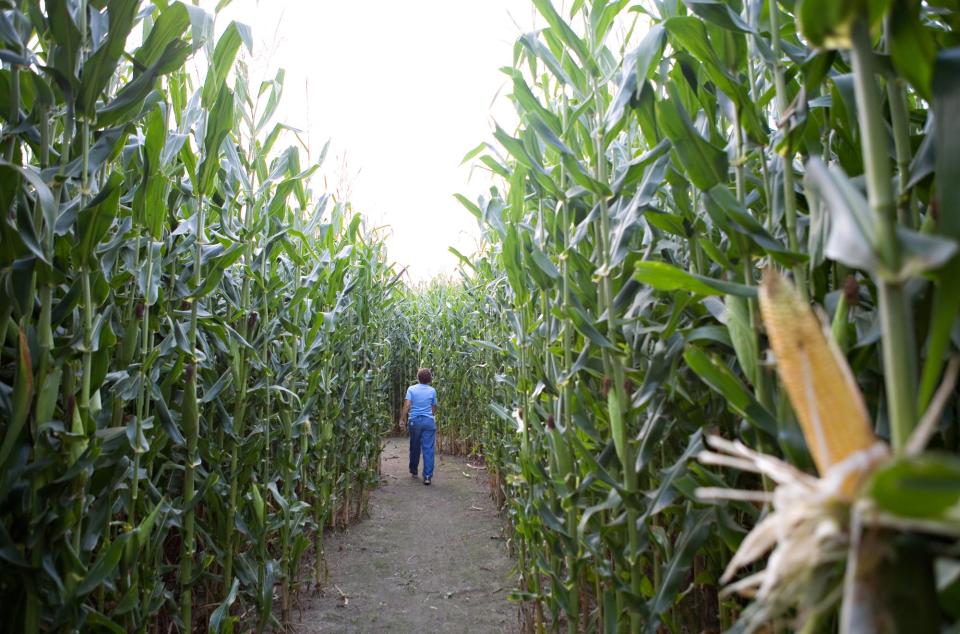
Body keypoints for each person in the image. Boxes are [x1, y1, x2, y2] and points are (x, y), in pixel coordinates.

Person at [401, 368, 438, 485]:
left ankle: (413, 470)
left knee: (414, 446)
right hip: (428, 422)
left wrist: (402, 419)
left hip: (414, 421)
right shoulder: (432, 390)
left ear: (418, 378)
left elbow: (407, 405)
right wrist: (428, 415)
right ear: (430, 379)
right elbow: (434, 408)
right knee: (428, 449)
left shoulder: (411, 389)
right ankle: (427, 476)